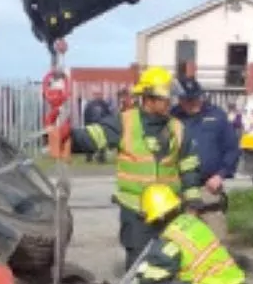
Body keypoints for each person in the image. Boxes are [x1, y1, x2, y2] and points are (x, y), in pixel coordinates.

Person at [55, 66, 204, 269]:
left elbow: (189, 166)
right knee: (139, 268)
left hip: (169, 212)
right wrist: (67, 134)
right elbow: (93, 137)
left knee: (169, 264)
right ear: (148, 98)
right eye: (165, 98)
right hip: (137, 213)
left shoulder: (177, 128)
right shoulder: (125, 122)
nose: (170, 103)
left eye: (171, 98)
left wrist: (193, 203)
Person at [173, 77, 240, 241]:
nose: (192, 103)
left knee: (217, 240)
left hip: (208, 186)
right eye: (187, 99)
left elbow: (232, 149)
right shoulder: (172, 118)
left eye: (195, 98)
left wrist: (221, 174)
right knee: (183, 242)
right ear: (180, 99)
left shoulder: (217, 116)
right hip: (179, 186)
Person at [81, 89, 114, 164]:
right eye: (96, 94)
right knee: (90, 141)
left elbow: (108, 115)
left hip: (102, 126)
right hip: (91, 125)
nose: (98, 95)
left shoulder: (104, 104)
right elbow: (86, 115)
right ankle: (89, 157)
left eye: (99, 94)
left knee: (102, 142)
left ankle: (101, 158)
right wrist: (86, 125)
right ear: (93, 95)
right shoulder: (89, 105)